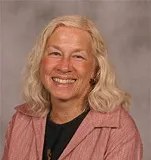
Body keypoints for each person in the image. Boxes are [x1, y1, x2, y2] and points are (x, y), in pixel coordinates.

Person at [2, 15, 143, 160]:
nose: (64, 67)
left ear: (96, 70)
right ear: (40, 62)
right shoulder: (20, 121)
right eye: (55, 53)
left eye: (78, 56)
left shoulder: (119, 132)